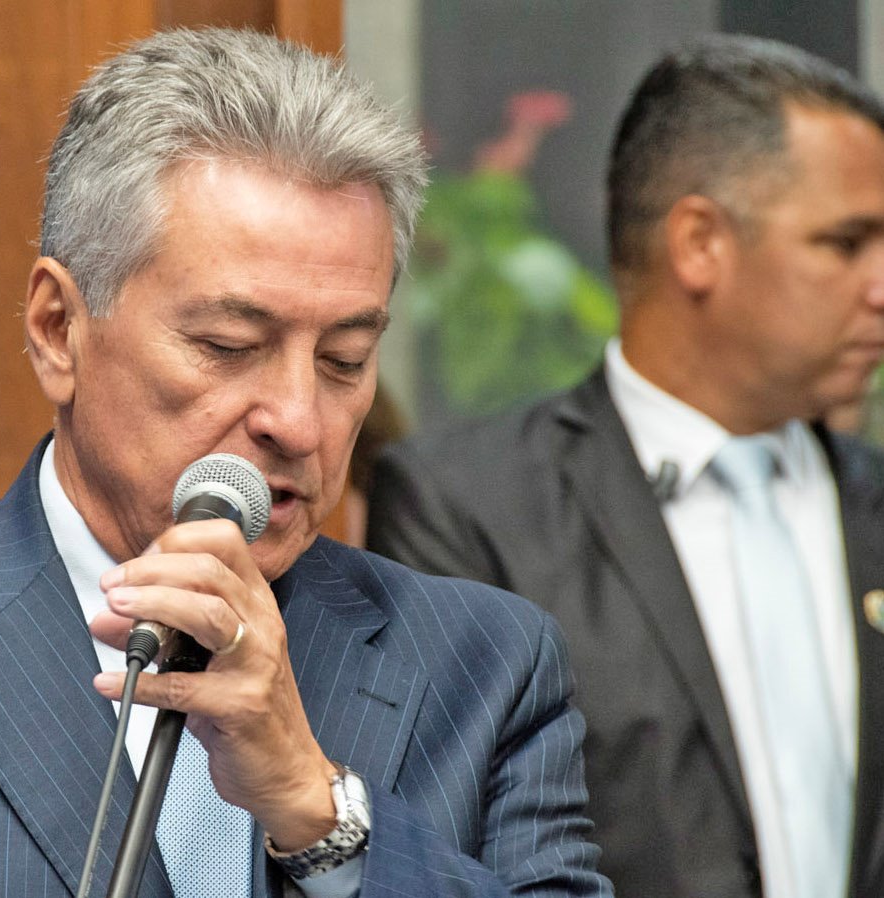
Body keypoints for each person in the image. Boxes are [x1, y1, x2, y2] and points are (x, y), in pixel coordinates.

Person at [0, 27, 609, 898]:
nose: (299, 421)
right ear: (59, 328)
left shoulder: (484, 667)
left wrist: (320, 812)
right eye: (228, 345)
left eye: (345, 360)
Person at [368, 34, 884, 898]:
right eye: (844, 243)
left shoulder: (871, 501)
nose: (879, 286)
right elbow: (434, 849)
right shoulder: (470, 507)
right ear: (699, 243)